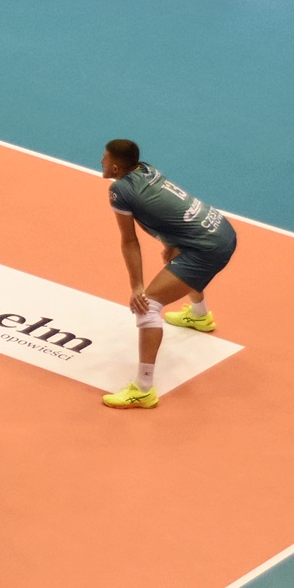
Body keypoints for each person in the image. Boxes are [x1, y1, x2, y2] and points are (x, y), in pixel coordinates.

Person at [99, 139, 238, 409]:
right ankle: (199, 316)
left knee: (147, 306)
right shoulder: (145, 169)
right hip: (220, 229)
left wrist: (137, 287)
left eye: (105, 158)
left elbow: (129, 241)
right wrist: (173, 245)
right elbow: (168, 208)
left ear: (115, 167)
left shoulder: (119, 190)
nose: (101, 161)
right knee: (178, 264)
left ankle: (143, 390)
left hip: (207, 248)